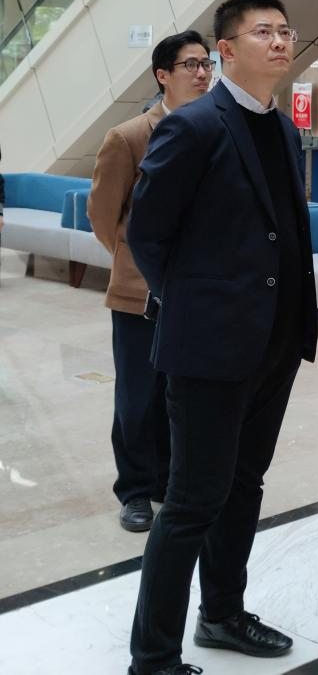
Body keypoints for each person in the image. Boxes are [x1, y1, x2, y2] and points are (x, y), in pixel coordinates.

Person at [126, 0, 318, 674]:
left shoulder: (282, 129)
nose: (280, 41)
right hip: (210, 347)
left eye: (285, 30)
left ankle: (223, 613)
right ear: (227, 51)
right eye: (263, 32)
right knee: (191, 501)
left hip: (275, 342)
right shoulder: (195, 125)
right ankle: (153, 656)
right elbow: (147, 233)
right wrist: (194, 305)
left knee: (244, 486)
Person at [89, 30, 211, 534]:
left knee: (178, 394)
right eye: (190, 65)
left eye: (206, 64)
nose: (202, 73)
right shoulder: (129, 137)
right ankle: (136, 488)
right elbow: (103, 216)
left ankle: (168, 479)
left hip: (195, 293)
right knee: (138, 396)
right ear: (163, 75)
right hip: (139, 295)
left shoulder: (214, 131)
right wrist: (134, 264)